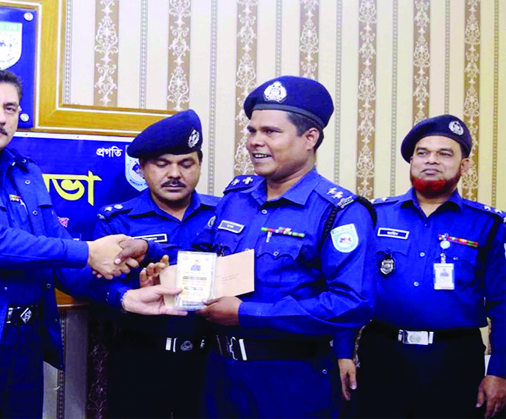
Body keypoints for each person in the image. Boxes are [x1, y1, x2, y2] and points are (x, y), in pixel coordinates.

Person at [0, 68, 182, 419]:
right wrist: (90, 251)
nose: (0, 118)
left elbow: (57, 256)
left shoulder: (25, 173)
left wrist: (123, 297)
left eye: (10, 108)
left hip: (24, 348)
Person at [139, 76, 376, 417]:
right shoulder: (237, 197)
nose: (254, 142)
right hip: (220, 376)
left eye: (270, 132)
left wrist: (245, 314)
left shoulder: (339, 212)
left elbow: (352, 305)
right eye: (252, 131)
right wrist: (164, 276)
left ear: (310, 138)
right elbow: (204, 261)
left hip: (290, 382)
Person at [336, 115, 506, 419]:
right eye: (423, 152)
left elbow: (503, 303)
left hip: (453, 360)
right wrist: (343, 351)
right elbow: (352, 289)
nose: (432, 160)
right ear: (412, 160)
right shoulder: (375, 215)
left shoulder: (487, 224)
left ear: (464, 165)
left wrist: (500, 371)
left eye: (445, 153)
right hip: (382, 354)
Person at [88, 109, 218, 418]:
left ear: (199, 165)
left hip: (212, 359)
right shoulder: (117, 220)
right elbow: (95, 286)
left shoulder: (224, 214)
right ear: (142, 168)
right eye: (162, 164)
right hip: (142, 356)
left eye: (186, 163)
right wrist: (133, 288)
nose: (175, 174)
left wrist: (151, 248)